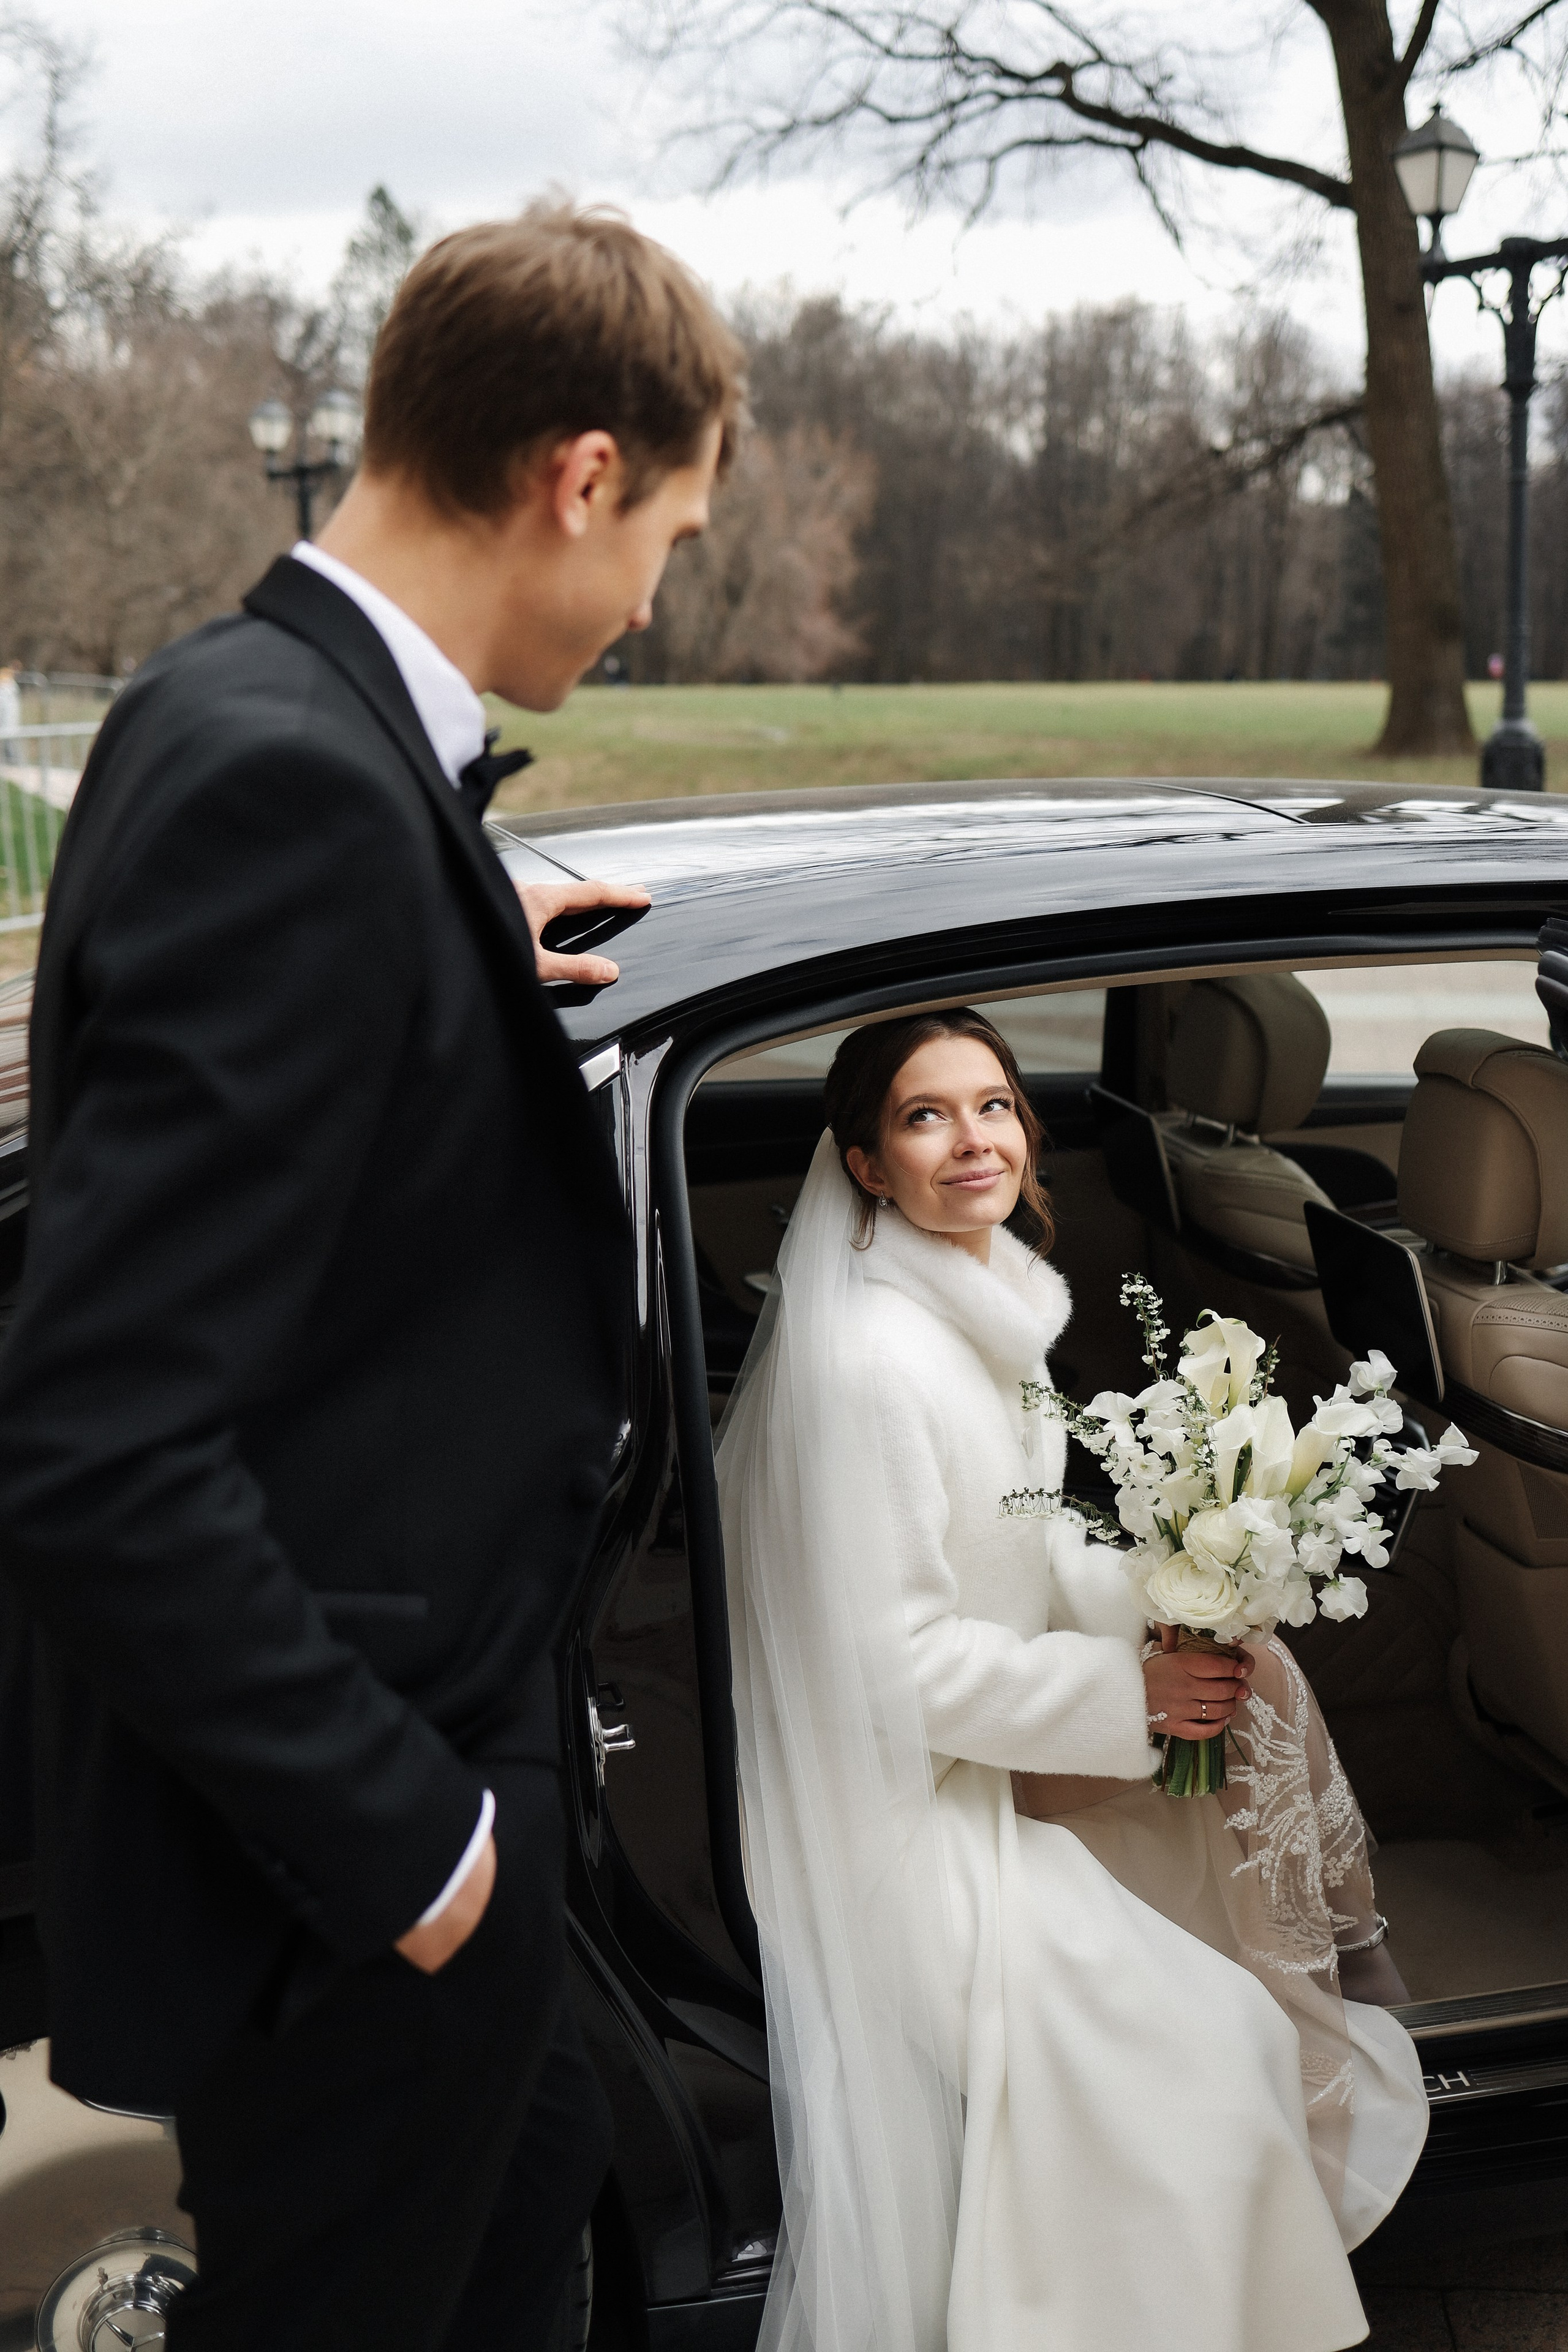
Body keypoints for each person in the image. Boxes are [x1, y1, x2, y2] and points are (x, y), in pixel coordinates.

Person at [0, 203, 745, 2350]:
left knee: (521, 2260)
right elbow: (94, 1447)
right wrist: (424, 1859)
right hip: (354, 1878)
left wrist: (457, 977)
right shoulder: (292, 785)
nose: (650, 598)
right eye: (673, 536)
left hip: (436, 1836)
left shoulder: (237, 711)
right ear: (579, 472)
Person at [716, 1006, 1429, 2352]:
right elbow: (896, 1659)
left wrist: (1174, 1604)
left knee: (1239, 1757)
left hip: (978, 1756)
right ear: (865, 1165)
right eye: (924, 1117)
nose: (971, 1140)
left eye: (991, 1105)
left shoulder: (972, 1303)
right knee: (1204, 2048)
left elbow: (1021, 1535)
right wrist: (1130, 1705)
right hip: (901, 1814)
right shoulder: (867, 1364)